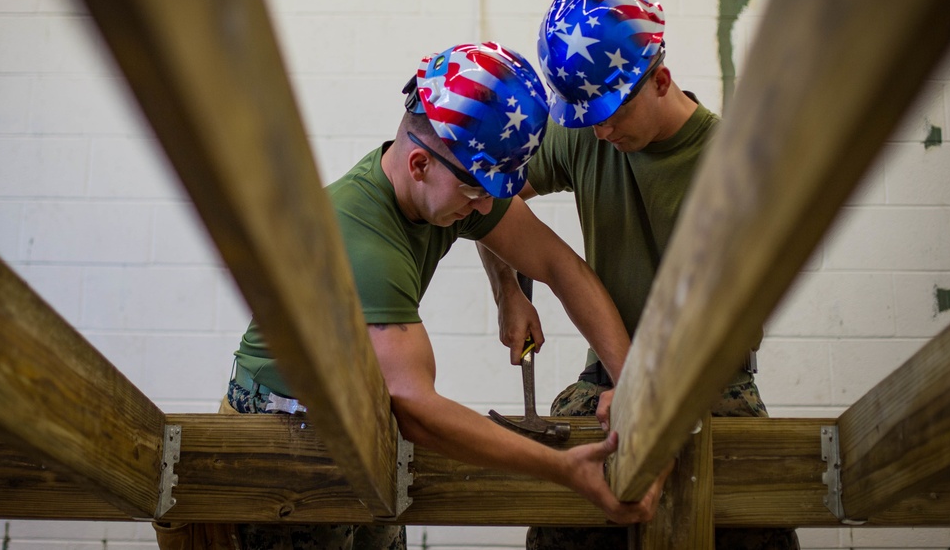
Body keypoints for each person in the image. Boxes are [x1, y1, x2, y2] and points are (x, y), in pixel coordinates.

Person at [222, 42, 668, 550]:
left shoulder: (441, 187)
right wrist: (562, 468)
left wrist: (632, 386)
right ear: (419, 164)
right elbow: (417, 409)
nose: (484, 206)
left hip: (360, 422)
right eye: (477, 190)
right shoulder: (361, 246)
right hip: (283, 444)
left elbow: (561, 268)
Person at [479, 0, 801, 550]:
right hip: (604, 375)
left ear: (660, 79)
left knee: (757, 521)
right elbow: (489, 198)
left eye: (609, 114)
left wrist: (645, 392)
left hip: (710, 384)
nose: (599, 131)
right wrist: (509, 289)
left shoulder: (734, 169)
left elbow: (728, 324)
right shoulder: (587, 135)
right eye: (585, 118)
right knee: (557, 522)